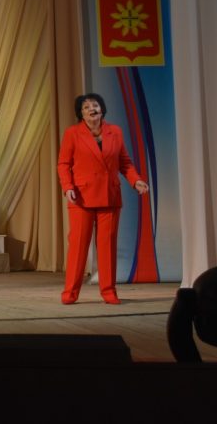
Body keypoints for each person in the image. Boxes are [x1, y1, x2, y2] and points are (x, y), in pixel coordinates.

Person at [57, 92, 149, 305]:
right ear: (81, 114)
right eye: (86, 107)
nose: (92, 109)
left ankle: (109, 292)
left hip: (110, 196)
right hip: (81, 197)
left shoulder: (115, 131)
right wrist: (68, 187)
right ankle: (70, 293)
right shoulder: (72, 133)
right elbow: (63, 164)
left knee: (107, 247)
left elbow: (124, 162)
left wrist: (135, 180)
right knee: (78, 246)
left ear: (102, 109)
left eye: (95, 105)